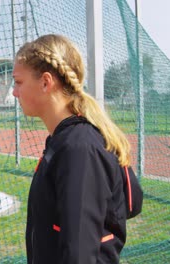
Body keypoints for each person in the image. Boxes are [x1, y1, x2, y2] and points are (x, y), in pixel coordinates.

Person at [12, 34, 139, 263]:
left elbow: (79, 253)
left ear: (45, 82)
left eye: (18, 82)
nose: (14, 92)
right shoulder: (63, 140)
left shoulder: (79, 149)